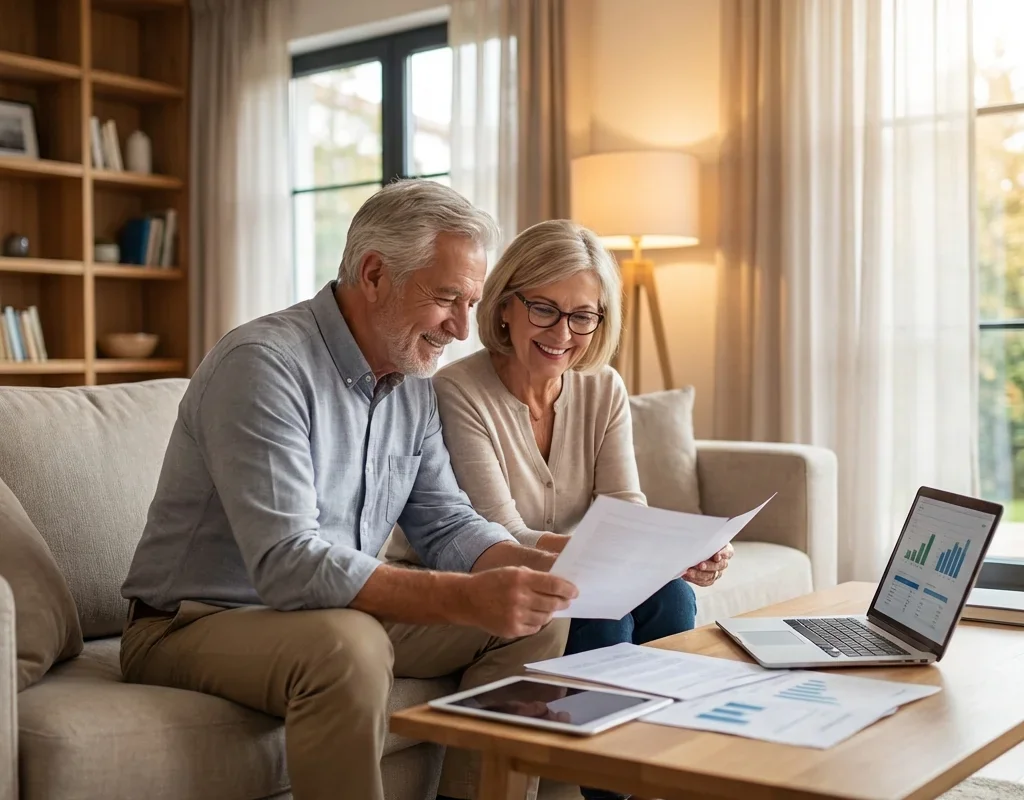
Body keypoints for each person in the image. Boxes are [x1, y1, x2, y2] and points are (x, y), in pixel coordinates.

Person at [118, 181, 580, 800]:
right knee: (350, 645)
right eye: (447, 298)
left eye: (470, 303)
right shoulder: (264, 364)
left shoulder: (413, 384)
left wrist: (554, 564)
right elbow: (287, 562)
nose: (462, 328)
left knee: (535, 619)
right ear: (374, 274)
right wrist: (464, 597)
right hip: (196, 621)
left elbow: (447, 523)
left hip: (328, 611)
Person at [384, 218, 733, 800]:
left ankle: (659, 774)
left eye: (582, 316)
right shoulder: (457, 390)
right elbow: (502, 532)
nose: (563, 333)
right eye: (544, 309)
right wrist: (616, 556)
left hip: (586, 570)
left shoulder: (603, 388)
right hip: (493, 569)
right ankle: (609, 787)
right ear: (505, 307)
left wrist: (677, 554)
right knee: (598, 614)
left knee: (673, 595)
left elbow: (625, 505)